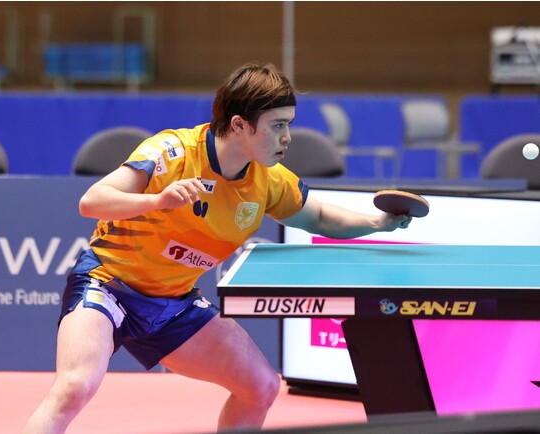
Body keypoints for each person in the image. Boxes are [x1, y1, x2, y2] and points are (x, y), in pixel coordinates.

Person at [22, 62, 412, 433]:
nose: (287, 137)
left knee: (260, 386)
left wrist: (377, 223)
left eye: (289, 124)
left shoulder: (268, 180)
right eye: (277, 125)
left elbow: (321, 217)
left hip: (173, 304)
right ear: (240, 124)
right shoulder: (173, 152)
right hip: (108, 285)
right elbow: (92, 201)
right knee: (75, 386)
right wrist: (157, 200)